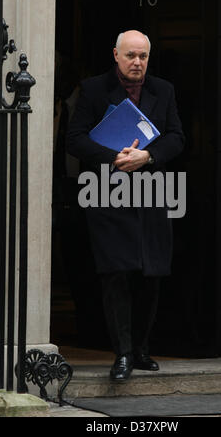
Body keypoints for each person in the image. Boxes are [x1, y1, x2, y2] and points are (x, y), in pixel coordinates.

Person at [66, 30, 185, 382]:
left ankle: (142, 349)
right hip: (107, 194)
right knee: (116, 273)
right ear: (115, 54)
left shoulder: (164, 90)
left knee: (151, 274)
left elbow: (177, 136)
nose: (137, 62)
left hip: (151, 193)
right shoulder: (92, 89)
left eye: (143, 57)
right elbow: (75, 139)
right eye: (131, 55)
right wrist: (115, 158)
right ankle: (122, 355)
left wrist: (148, 156)